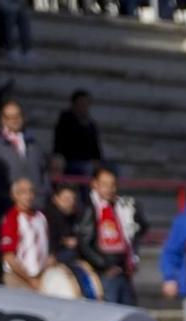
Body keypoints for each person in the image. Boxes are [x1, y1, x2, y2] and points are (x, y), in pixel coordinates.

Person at [75, 167, 140, 306]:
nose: (110, 189)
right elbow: (85, 243)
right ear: (95, 184)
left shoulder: (120, 207)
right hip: (105, 273)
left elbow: (134, 233)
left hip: (123, 270)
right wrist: (104, 265)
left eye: (113, 185)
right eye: (105, 184)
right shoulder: (91, 209)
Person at [0, 98, 44, 218]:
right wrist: (6, 197)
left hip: (35, 206)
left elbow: (43, 173)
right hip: (7, 207)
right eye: (9, 117)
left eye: (17, 116)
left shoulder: (34, 145)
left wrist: (42, 195)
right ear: (2, 120)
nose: (14, 121)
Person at [0, 175, 54, 289]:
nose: (28, 196)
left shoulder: (41, 217)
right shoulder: (11, 218)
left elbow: (46, 248)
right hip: (18, 277)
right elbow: (8, 256)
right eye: (23, 192)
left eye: (31, 191)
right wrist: (30, 279)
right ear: (15, 195)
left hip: (40, 277)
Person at [51, 89, 101, 179]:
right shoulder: (66, 120)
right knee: (87, 168)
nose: (84, 106)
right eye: (81, 103)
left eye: (86, 103)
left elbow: (96, 148)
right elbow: (61, 144)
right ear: (74, 104)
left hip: (88, 161)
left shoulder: (91, 124)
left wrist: (97, 160)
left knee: (112, 168)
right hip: (70, 161)